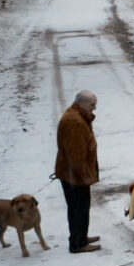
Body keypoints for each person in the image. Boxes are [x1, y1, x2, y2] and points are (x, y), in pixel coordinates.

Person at [54, 90, 101, 253]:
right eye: (92, 105)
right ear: (81, 103)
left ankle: (80, 237)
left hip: (72, 173)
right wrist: (85, 176)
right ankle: (78, 244)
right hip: (74, 176)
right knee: (78, 210)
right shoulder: (75, 122)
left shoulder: (77, 115)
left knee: (79, 209)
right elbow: (76, 155)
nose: (94, 108)